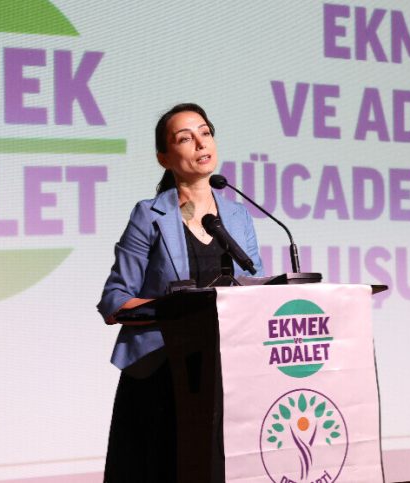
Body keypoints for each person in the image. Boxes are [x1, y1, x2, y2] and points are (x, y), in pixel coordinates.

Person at [97, 103, 264, 482]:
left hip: (226, 374)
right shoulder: (149, 216)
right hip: (161, 372)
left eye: (205, 133)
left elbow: (256, 290)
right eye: (185, 138)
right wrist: (176, 310)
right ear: (164, 158)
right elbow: (115, 299)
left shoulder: (239, 217)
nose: (200, 143)